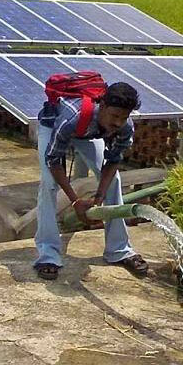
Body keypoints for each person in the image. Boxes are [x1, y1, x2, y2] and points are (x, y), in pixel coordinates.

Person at [34, 81, 149, 281]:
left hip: (88, 132)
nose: (118, 123)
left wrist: (99, 197)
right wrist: (76, 202)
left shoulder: (124, 126)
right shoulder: (71, 118)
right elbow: (54, 162)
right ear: (102, 106)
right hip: (53, 125)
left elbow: (112, 162)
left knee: (114, 181)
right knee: (48, 184)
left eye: (123, 117)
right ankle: (48, 255)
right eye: (114, 116)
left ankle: (119, 249)